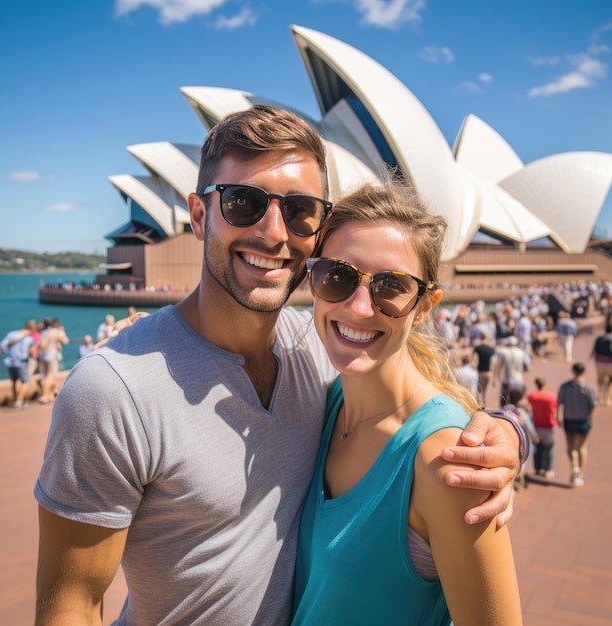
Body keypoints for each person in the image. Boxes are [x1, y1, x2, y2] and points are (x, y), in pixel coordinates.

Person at [34, 105, 524, 626]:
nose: (273, 233)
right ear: (199, 216)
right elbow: (72, 602)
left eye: (299, 210)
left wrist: (505, 430)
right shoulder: (112, 390)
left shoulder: (320, 352)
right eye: (243, 203)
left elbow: (412, 397)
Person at [293, 181, 522, 625]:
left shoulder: (446, 462)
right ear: (313, 280)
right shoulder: (327, 399)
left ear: (424, 306)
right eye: (336, 276)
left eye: (391, 286)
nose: (360, 307)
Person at [557, 362, 597, 487]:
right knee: (582, 447)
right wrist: (590, 417)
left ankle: (574, 466)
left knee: (571, 446)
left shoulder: (565, 386)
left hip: (569, 419)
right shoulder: (589, 388)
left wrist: (558, 416)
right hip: (583, 420)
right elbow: (593, 405)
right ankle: (580, 474)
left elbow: (559, 402)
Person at [0, 320, 37, 409]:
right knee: (25, 381)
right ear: (33, 328)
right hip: (21, 362)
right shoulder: (29, 339)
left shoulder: (12, 334)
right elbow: (32, 351)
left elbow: (0, 347)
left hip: (10, 361)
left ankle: (15, 399)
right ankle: (19, 401)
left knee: (13, 381)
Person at [527, 377, 559, 477]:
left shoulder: (532, 396)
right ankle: (549, 469)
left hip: (537, 425)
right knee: (549, 449)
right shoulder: (552, 396)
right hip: (548, 426)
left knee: (538, 448)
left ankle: (538, 468)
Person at [37, 318, 70, 404]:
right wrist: (62, 332)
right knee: (50, 375)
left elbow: (40, 344)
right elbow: (65, 341)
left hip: (43, 354)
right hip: (51, 354)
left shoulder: (43, 332)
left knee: (44, 375)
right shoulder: (55, 332)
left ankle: (47, 394)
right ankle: (46, 395)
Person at [494, 334, 531, 406]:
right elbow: (527, 367)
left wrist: (496, 378)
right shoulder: (521, 352)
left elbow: (498, 366)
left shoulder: (502, 352)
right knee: (517, 401)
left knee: (504, 402)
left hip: (506, 380)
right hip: (518, 380)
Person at [470, 328, 495, 406]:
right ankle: (485, 405)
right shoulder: (491, 349)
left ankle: (480, 405)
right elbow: (493, 362)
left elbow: (473, 358)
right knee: (486, 391)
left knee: (479, 391)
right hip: (488, 372)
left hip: (480, 372)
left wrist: (473, 365)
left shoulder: (478, 348)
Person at [591, 323, 612, 405]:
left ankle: (599, 397)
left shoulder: (599, 338)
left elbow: (594, 349)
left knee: (600, 380)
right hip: (610, 363)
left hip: (599, 362)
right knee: (609, 381)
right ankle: (606, 398)